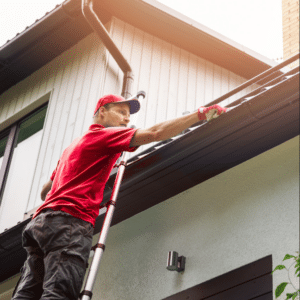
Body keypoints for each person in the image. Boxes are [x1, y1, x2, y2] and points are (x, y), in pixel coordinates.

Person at [12, 94, 226, 299]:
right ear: (102, 112)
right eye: (121, 112)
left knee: (27, 293)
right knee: (59, 291)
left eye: (129, 115)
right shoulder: (103, 135)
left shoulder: (72, 147)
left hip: (40, 225)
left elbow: (44, 191)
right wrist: (199, 114)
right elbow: (154, 133)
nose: (126, 118)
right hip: (69, 223)